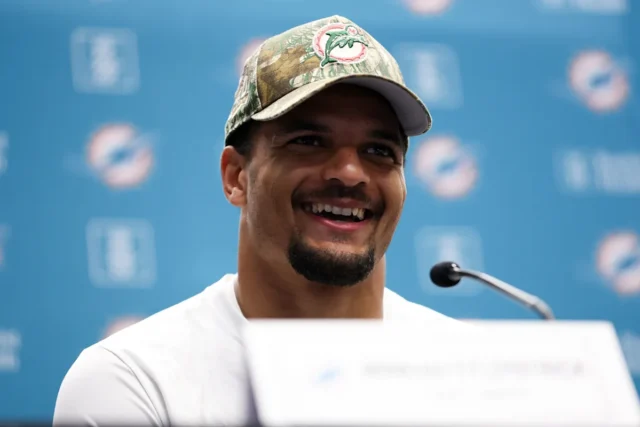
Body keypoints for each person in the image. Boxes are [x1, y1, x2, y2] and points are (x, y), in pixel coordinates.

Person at [53, 14, 461, 426]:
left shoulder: (466, 372)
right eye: (309, 142)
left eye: (379, 151)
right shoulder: (132, 380)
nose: (350, 173)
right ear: (236, 177)